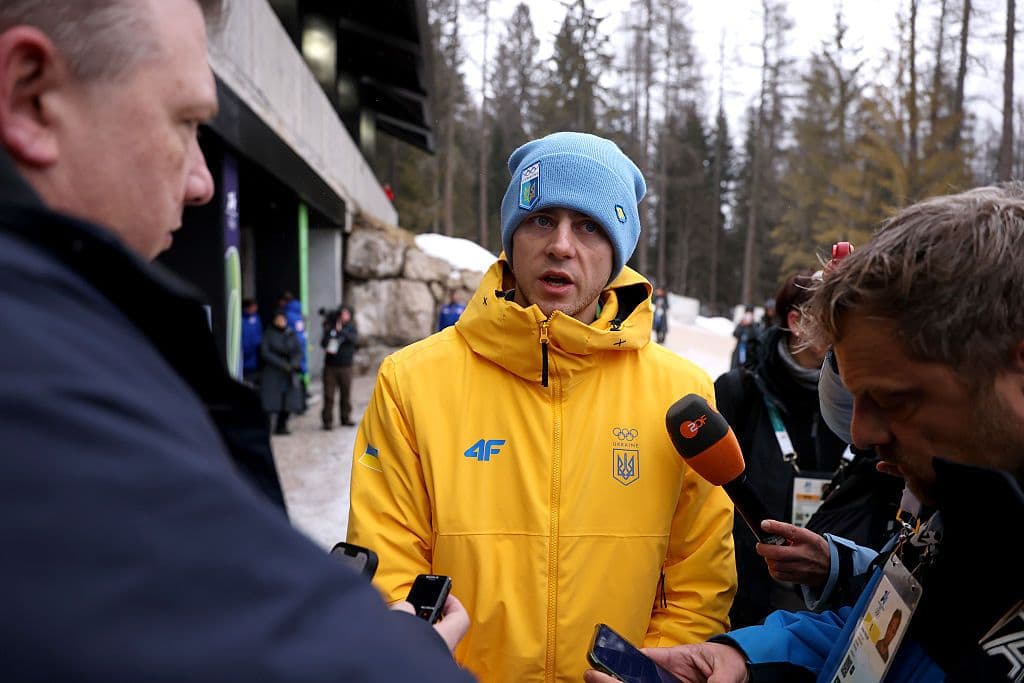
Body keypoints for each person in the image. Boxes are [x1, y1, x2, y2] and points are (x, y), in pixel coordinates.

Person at [0, 1, 474, 680]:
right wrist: (407, 652)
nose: (200, 181)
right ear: (31, 96)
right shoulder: (41, 386)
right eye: (188, 123)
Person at [584, 184, 1024, 683]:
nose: (858, 434)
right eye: (853, 397)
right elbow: (888, 634)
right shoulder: (951, 512)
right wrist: (744, 658)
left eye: (895, 398)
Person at [347, 131, 737, 683]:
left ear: (617, 251)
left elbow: (699, 576)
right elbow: (388, 562)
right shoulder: (411, 382)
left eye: (589, 226)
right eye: (540, 220)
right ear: (511, 237)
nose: (560, 245)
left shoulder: (680, 394)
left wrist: (644, 672)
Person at [714, 271, 848, 628]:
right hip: (747, 596)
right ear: (796, 322)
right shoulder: (740, 391)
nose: (845, 326)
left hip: (835, 603)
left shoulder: (855, 398)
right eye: (832, 313)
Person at [261, 310, 304, 435]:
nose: (281, 322)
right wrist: (282, 364)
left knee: (287, 401)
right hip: (273, 372)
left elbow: (298, 350)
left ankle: (282, 425)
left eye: (283, 320)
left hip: (288, 373)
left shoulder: (290, 334)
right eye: (279, 320)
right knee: (271, 402)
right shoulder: (269, 333)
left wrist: (293, 364)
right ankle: (268, 427)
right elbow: (265, 352)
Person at [321, 305, 357, 429]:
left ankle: (345, 417)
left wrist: (340, 331)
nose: (344, 316)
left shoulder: (351, 328)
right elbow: (324, 343)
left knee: (345, 394)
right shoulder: (330, 327)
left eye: (346, 314)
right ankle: (327, 421)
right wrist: (331, 331)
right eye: (342, 313)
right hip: (330, 366)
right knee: (329, 395)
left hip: (346, 366)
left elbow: (353, 339)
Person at [241, 297, 263, 387]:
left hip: (254, 354)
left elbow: (259, 333)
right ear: (247, 308)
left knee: (251, 377)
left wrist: (257, 343)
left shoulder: (256, 318)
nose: (255, 309)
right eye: (253, 307)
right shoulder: (241, 319)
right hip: (243, 353)